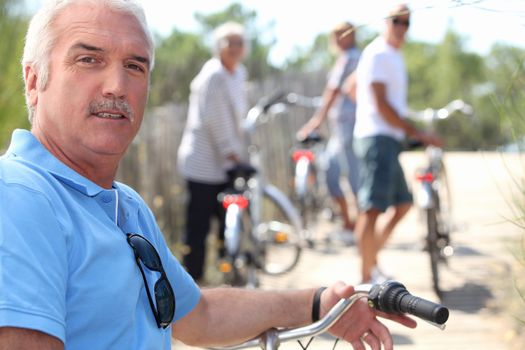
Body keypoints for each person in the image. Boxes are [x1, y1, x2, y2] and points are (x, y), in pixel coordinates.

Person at [0, 1, 417, 349]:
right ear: (35, 80)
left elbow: (200, 314)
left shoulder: (124, 206)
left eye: (135, 66)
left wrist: (320, 304)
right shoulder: (19, 196)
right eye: (88, 59)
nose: (116, 85)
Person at [353, 4, 442, 283]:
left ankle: (371, 262)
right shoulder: (378, 53)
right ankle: (365, 278)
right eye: (396, 20)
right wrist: (416, 133)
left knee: (403, 204)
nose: (401, 27)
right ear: (385, 21)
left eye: (407, 22)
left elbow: (354, 88)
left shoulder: (391, 54)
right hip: (377, 137)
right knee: (371, 209)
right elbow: (381, 104)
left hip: (387, 138)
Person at [177, 21, 249, 282]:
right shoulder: (214, 75)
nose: (234, 47)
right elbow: (214, 120)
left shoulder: (238, 74)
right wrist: (233, 154)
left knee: (228, 223)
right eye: (229, 42)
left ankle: (227, 277)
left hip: (227, 164)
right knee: (198, 226)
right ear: (218, 46)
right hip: (204, 164)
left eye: (239, 42)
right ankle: (193, 281)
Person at [298, 22, 361, 245]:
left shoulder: (350, 58)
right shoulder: (349, 57)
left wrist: (316, 121)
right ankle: (350, 224)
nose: (338, 40)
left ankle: (361, 228)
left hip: (349, 125)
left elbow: (333, 91)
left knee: (353, 177)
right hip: (341, 127)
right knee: (331, 171)